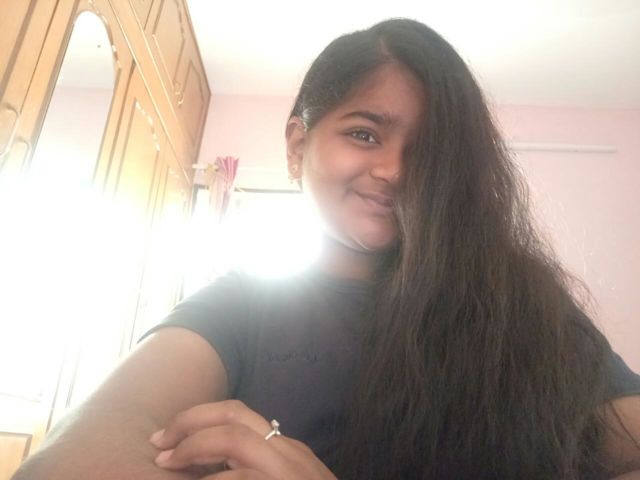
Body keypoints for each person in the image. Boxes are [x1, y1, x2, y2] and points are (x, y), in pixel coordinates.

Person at [13, 18, 640, 480]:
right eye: (364, 134)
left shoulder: (519, 304)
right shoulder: (243, 304)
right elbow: (69, 462)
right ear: (297, 145)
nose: (395, 171)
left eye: (428, 153)